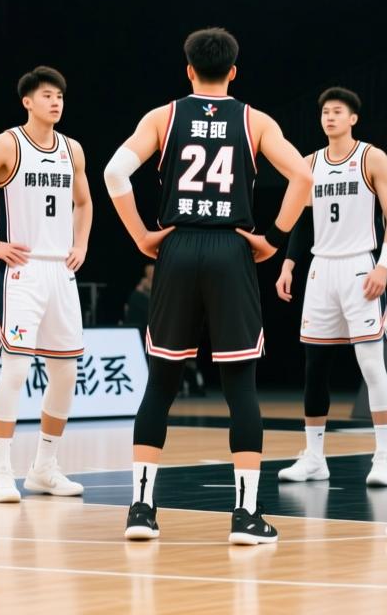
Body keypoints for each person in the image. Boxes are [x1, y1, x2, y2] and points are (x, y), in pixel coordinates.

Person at [104, 27, 312, 545]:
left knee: (161, 383)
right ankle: (246, 516)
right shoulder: (255, 120)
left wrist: (142, 236)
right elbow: (304, 178)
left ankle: (141, 509)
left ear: (189, 70)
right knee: (240, 386)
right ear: (234, 71)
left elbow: (114, 173)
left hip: (176, 249)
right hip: (230, 249)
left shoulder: (163, 117)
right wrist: (273, 239)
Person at [0, 65, 93, 503]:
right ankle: (0, 472)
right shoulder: (6, 144)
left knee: (66, 372)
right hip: (21, 270)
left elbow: (84, 202)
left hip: (60, 271)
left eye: (60, 96)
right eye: (47, 95)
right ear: (27, 101)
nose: (56, 102)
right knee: (15, 369)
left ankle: (44, 467)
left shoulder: (72, 149)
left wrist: (81, 243)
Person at [276, 86, 387, 488]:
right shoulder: (309, 163)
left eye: (337, 111)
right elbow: (301, 221)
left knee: (371, 365)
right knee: (315, 368)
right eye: (325, 112)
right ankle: (314, 458)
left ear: (353, 118)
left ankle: (383, 457)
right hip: (321, 269)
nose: (329, 117)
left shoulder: (371, 158)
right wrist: (289, 264)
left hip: (360, 267)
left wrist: (383, 266)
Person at [123, 264, 153, 329]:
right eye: (149, 273)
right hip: (140, 325)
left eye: (152, 273)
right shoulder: (138, 294)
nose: (151, 275)